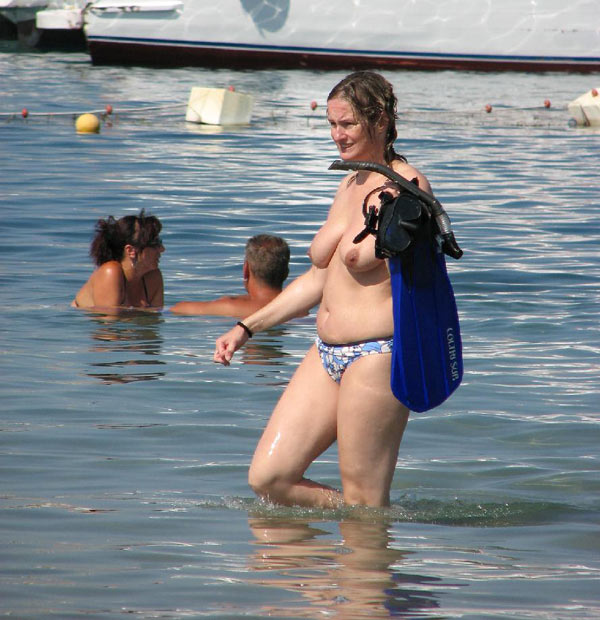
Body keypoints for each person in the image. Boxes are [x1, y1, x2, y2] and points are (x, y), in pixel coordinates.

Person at [214, 71, 434, 509]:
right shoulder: (349, 183)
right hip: (325, 352)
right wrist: (247, 327)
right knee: (270, 478)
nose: (337, 135)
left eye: (347, 124)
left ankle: (366, 537)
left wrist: (412, 222)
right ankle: (361, 529)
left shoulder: (408, 189)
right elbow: (319, 279)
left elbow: (424, 276)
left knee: (364, 499)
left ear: (381, 120)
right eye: (332, 124)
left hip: (377, 355)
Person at [170, 234, 290, 317]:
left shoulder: (230, 307)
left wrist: (226, 301)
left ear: (246, 270)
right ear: (286, 273)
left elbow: (178, 308)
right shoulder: (297, 309)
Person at [72, 209, 164, 310]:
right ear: (130, 250)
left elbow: (156, 317)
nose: (162, 249)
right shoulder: (110, 272)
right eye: (155, 244)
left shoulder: (152, 276)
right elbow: (109, 318)